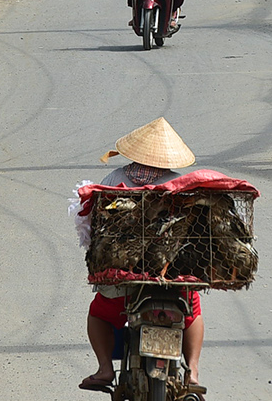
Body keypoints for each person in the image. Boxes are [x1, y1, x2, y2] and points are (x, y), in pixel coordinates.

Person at [80, 120, 204, 392]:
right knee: (192, 310)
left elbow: (93, 224)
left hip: (124, 276)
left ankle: (104, 369)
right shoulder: (178, 182)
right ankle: (192, 371)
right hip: (170, 275)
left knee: (98, 314)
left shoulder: (115, 179)